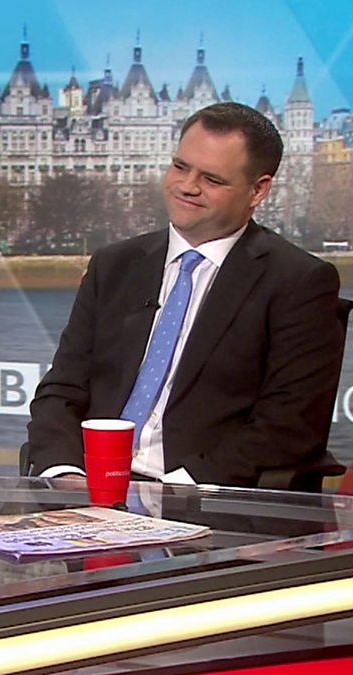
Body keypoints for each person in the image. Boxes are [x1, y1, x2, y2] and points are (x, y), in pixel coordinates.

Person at [27, 102, 344, 487]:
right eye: (180, 166)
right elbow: (61, 390)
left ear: (258, 190)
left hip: (197, 495)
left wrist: (176, 491)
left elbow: (289, 426)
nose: (187, 186)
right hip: (87, 488)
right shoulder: (114, 265)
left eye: (212, 179)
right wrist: (64, 473)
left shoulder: (298, 282)